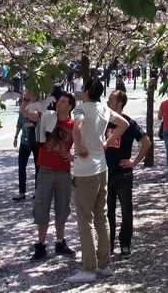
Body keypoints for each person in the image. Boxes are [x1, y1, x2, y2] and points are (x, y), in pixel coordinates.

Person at [69, 80, 128, 284]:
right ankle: (104, 264)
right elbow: (124, 124)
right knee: (101, 218)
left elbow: (77, 128)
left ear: (85, 91)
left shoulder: (80, 109)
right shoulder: (103, 108)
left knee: (85, 220)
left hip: (84, 171)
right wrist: (106, 142)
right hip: (102, 169)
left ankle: (89, 267)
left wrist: (78, 147)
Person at [30, 91, 76, 260]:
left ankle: (60, 241)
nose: (59, 104)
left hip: (63, 171)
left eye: (63, 102)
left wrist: (74, 156)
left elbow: (84, 144)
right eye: (59, 101)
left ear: (70, 107)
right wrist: (29, 99)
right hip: (46, 169)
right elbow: (29, 113)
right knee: (42, 206)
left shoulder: (74, 124)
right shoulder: (47, 116)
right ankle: (40, 244)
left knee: (62, 207)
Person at [106, 89, 151, 257]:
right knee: (107, 211)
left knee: (126, 210)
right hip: (106, 172)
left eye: (110, 99)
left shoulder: (129, 123)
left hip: (123, 174)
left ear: (119, 104)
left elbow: (146, 142)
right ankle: (108, 244)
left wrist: (135, 162)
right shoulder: (104, 121)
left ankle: (125, 243)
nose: (107, 102)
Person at [13, 89, 41, 201]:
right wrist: (15, 137)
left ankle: (37, 190)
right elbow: (19, 123)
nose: (31, 96)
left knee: (37, 167)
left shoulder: (39, 108)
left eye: (33, 95)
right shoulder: (24, 107)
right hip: (24, 140)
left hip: (36, 141)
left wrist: (33, 125)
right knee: (21, 165)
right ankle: (22, 191)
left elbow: (42, 123)